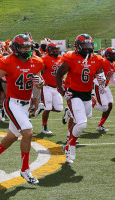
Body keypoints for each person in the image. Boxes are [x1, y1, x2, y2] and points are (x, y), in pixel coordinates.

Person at [0, 34, 44, 185]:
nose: (27, 50)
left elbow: (37, 83)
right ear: (16, 49)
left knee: (12, 136)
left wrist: (37, 96)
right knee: (28, 132)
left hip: (25, 104)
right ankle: (25, 169)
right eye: (23, 47)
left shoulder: (37, 61)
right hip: (12, 103)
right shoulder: (8, 61)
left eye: (28, 47)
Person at [55, 34, 104, 163]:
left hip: (87, 94)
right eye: (85, 46)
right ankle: (70, 145)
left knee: (85, 117)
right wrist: (62, 91)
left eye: (89, 46)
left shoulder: (97, 59)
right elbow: (59, 75)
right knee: (82, 123)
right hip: (74, 93)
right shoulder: (71, 58)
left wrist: (101, 78)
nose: (87, 49)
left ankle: (68, 142)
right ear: (78, 47)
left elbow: (99, 74)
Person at [40, 42, 63, 134]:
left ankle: (42, 107)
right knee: (48, 108)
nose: (57, 51)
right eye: (55, 49)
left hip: (56, 87)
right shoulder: (44, 59)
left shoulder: (60, 58)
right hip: (47, 86)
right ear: (49, 50)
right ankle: (44, 127)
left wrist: (62, 80)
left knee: (59, 109)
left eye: (57, 49)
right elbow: (38, 71)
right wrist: (41, 80)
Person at [92, 47, 115, 131]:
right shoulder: (103, 62)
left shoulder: (113, 63)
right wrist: (96, 84)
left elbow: (111, 79)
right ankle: (92, 103)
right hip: (99, 85)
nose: (114, 55)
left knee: (110, 105)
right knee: (104, 107)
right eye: (113, 54)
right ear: (108, 55)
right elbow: (94, 73)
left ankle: (100, 125)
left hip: (106, 86)